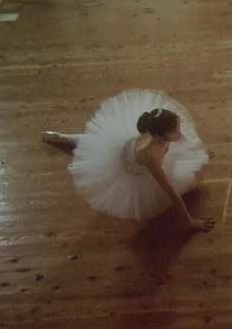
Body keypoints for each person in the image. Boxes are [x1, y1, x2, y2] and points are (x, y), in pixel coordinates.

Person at [42, 88, 214, 232]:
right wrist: (190, 223)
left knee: (97, 143)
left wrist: (198, 154)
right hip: (131, 166)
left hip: (132, 147)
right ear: (160, 135)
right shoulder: (150, 156)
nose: (180, 133)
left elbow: (182, 140)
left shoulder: (159, 132)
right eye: (175, 131)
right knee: (91, 152)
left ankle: (65, 137)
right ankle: (64, 139)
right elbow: (171, 192)